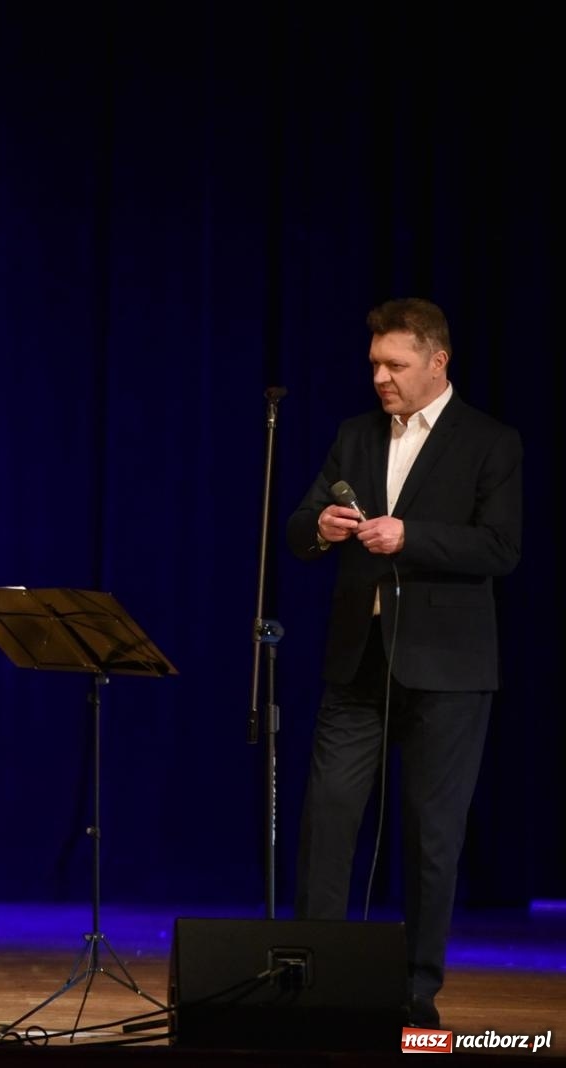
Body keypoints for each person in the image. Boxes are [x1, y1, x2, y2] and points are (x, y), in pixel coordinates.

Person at [287, 298, 522, 1029]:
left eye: (396, 364)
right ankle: (312, 977)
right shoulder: (355, 436)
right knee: (327, 823)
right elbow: (299, 528)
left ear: (437, 361)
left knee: (430, 834)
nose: (381, 378)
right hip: (359, 661)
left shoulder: (490, 441)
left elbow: (499, 549)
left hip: (448, 669)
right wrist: (321, 530)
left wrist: (410, 536)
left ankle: (416, 989)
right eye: (375, 366)